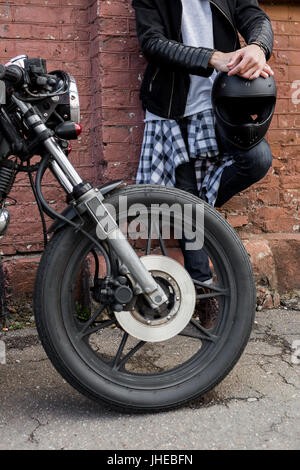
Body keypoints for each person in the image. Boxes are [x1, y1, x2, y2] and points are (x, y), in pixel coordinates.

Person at [132, 0, 274, 321]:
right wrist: (212, 57)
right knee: (186, 198)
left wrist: (257, 46)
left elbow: (256, 18)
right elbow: (152, 43)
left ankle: (200, 210)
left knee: (256, 159)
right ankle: (203, 291)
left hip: (224, 103)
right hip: (173, 107)